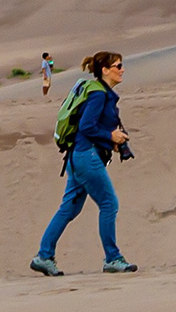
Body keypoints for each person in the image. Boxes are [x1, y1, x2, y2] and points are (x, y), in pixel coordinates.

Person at [34, 49, 135, 275]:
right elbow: (87, 127)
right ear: (105, 70)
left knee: (69, 208)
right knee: (109, 204)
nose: (122, 70)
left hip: (78, 156)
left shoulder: (101, 93)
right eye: (118, 66)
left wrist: (113, 141)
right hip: (86, 156)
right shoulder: (99, 94)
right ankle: (113, 258)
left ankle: (43, 256)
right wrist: (111, 136)